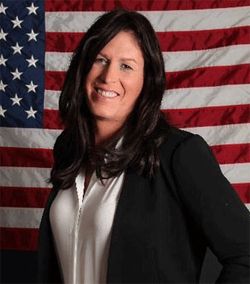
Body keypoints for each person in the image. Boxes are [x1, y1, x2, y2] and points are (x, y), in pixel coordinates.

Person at [38, 9, 250, 284]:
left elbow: (246, 255)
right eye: (100, 60)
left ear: (146, 81)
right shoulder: (69, 149)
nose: (108, 76)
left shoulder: (179, 153)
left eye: (126, 66)